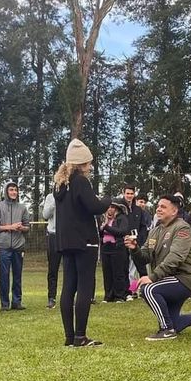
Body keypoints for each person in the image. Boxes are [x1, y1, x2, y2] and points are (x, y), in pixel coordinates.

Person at [124, 194, 191, 341]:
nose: (158, 209)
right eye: (158, 206)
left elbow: (176, 258)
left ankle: (166, 329)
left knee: (147, 289)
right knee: (177, 323)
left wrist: (152, 277)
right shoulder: (155, 231)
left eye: (163, 207)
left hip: (183, 279)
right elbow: (145, 256)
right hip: (166, 281)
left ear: (174, 211)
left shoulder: (182, 228)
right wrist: (135, 249)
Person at [54, 138, 111, 347]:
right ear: (81, 164)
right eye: (88, 163)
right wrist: (109, 200)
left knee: (68, 286)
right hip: (84, 241)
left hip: (65, 242)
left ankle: (69, 337)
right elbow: (94, 206)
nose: (90, 167)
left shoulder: (60, 184)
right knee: (85, 287)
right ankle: (80, 336)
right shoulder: (80, 181)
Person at [0, 181, 30, 311]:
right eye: (11, 190)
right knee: (4, 276)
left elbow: (28, 227)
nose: (14, 192)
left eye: (16, 190)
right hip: (4, 247)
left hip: (18, 247)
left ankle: (17, 302)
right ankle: (5, 304)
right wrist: (10, 227)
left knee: (17, 276)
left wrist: (21, 228)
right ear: (6, 191)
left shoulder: (22, 208)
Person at [100, 200, 129, 303]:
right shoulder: (104, 219)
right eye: (108, 207)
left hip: (117, 248)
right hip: (105, 248)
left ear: (117, 208)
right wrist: (102, 228)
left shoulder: (122, 218)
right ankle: (108, 296)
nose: (110, 209)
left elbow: (122, 232)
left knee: (118, 273)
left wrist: (107, 227)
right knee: (107, 273)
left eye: (112, 207)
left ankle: (120, 295)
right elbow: (100, 232)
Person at [121, 184, 143, 299]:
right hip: (122, 243)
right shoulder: (120, 208)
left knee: (133, 269)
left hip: (135, 243)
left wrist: (139, 240)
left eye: (131, 193)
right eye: (127, 193)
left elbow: (143, 226)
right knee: (124, 268)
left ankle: (132, 290)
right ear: (123, 193)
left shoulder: (138, 209)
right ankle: (126, 292)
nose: (129, 196)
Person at [42, 189, 62, 309]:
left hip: (68, 235)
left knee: (71, 268)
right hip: (53, 235)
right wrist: (55, 201)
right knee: (53, 269)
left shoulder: (71, 195)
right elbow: (45, 215)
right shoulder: (50, 197)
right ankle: (51, 298)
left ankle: (70, 296)